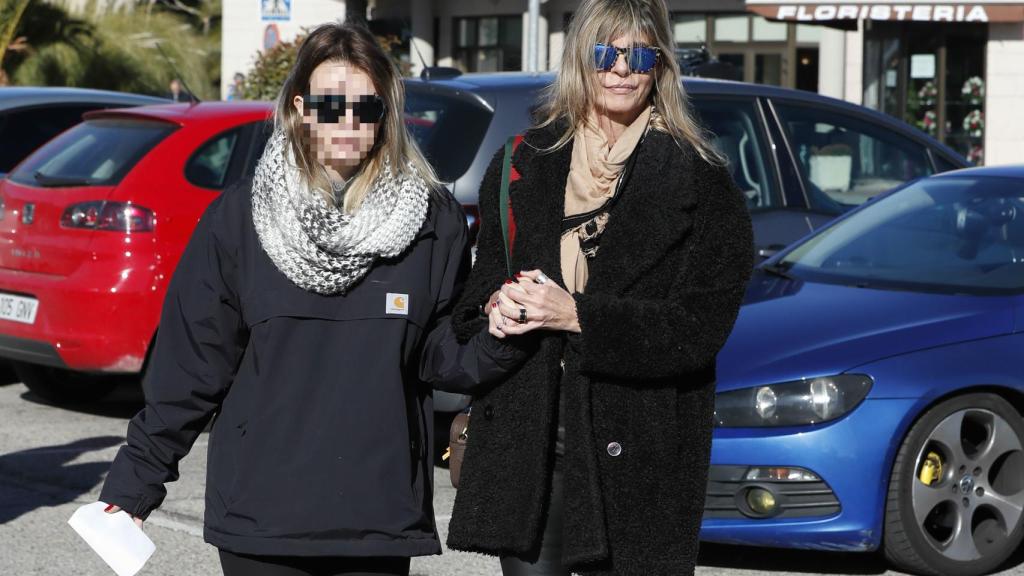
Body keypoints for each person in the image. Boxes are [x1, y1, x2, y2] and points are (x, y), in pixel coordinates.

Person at [99, 22, 521, 576]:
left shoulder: (430, 219)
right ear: (299, 107)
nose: (346, 121)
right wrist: (134, 484)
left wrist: (499, 333)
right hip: (261, 518)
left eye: (364, 106)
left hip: (377, 517)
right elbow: (192, 368)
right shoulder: (241, 218)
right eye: (329, 103)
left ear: (386, 113)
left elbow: (438, 352)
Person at [442, 0, 755, 575]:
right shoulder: (519, 164)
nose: (620, 69)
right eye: (603, 53)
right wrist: (495, 306)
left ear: (659, 64)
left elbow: (696, 331)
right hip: (532, 449)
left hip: (640, 457)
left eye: (638, 54)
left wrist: (577, 316)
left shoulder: (702, 183)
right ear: (577, 60)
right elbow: (472, 301)